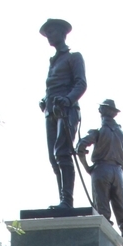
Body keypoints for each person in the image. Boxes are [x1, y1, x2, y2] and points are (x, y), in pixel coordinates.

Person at [39, 19, 87, 211]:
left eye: (51, 32)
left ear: (62, 33)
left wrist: (68, 100)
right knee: (53, 158)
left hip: (67, 111)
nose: (49, 36)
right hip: (50, 111)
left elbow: (81, 83)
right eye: (47, 33)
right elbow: (53, 85)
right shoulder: (53, 61)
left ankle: (67, 201)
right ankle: (63, 200)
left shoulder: (74, 57)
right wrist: (45, 99)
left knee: (62, 153)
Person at [76, 99, 123, 246]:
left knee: (102, 214)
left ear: (101, 113)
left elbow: (80, 147)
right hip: (118, 174)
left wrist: (87, 167)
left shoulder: (98, 132)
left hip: (101, 171)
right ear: (114, 114)